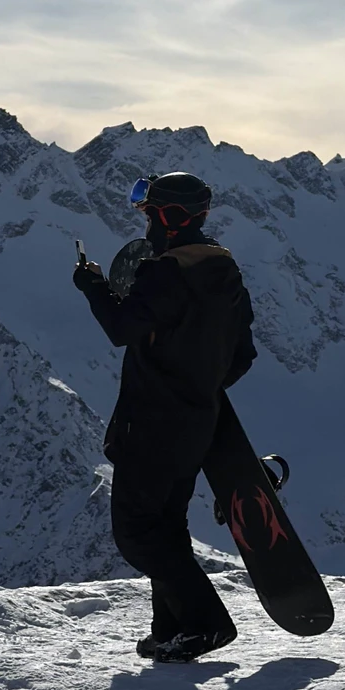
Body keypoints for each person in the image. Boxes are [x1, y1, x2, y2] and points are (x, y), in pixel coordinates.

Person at [72, 170, 257, 663]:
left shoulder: (166, 272)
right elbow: (242, 355)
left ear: (165, 217)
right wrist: (197, 389)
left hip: (150, 425)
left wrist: (92, 286)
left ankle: (208, 623)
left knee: (137, 533)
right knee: (167, 524)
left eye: (149, 212)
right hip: (197, 425)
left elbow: (121, 327)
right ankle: (172, 629)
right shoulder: (224, 270)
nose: (146, 222)